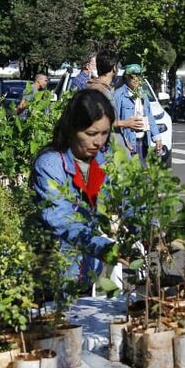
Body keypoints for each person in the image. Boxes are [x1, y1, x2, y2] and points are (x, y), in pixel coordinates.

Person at [32, 89, 116, 281]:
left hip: (86, 273)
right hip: (55, 276)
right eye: (91, 133)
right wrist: (105, 248)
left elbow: (125, 199)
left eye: (105, 133)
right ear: (72, 129)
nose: (99, 142)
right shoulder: (50, 165)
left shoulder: (101, 162)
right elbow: (61, 220)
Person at [113, 64, 162, 161]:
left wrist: (157, 138)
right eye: (132, 76)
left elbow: (149, 116)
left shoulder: (143, 94)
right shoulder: (119, 95)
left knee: (142, 169)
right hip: (128, 142)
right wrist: (123, 141)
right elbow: (115, 122)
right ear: (126, 78)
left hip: (143, 140)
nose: (136, 79)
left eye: (139, 76)